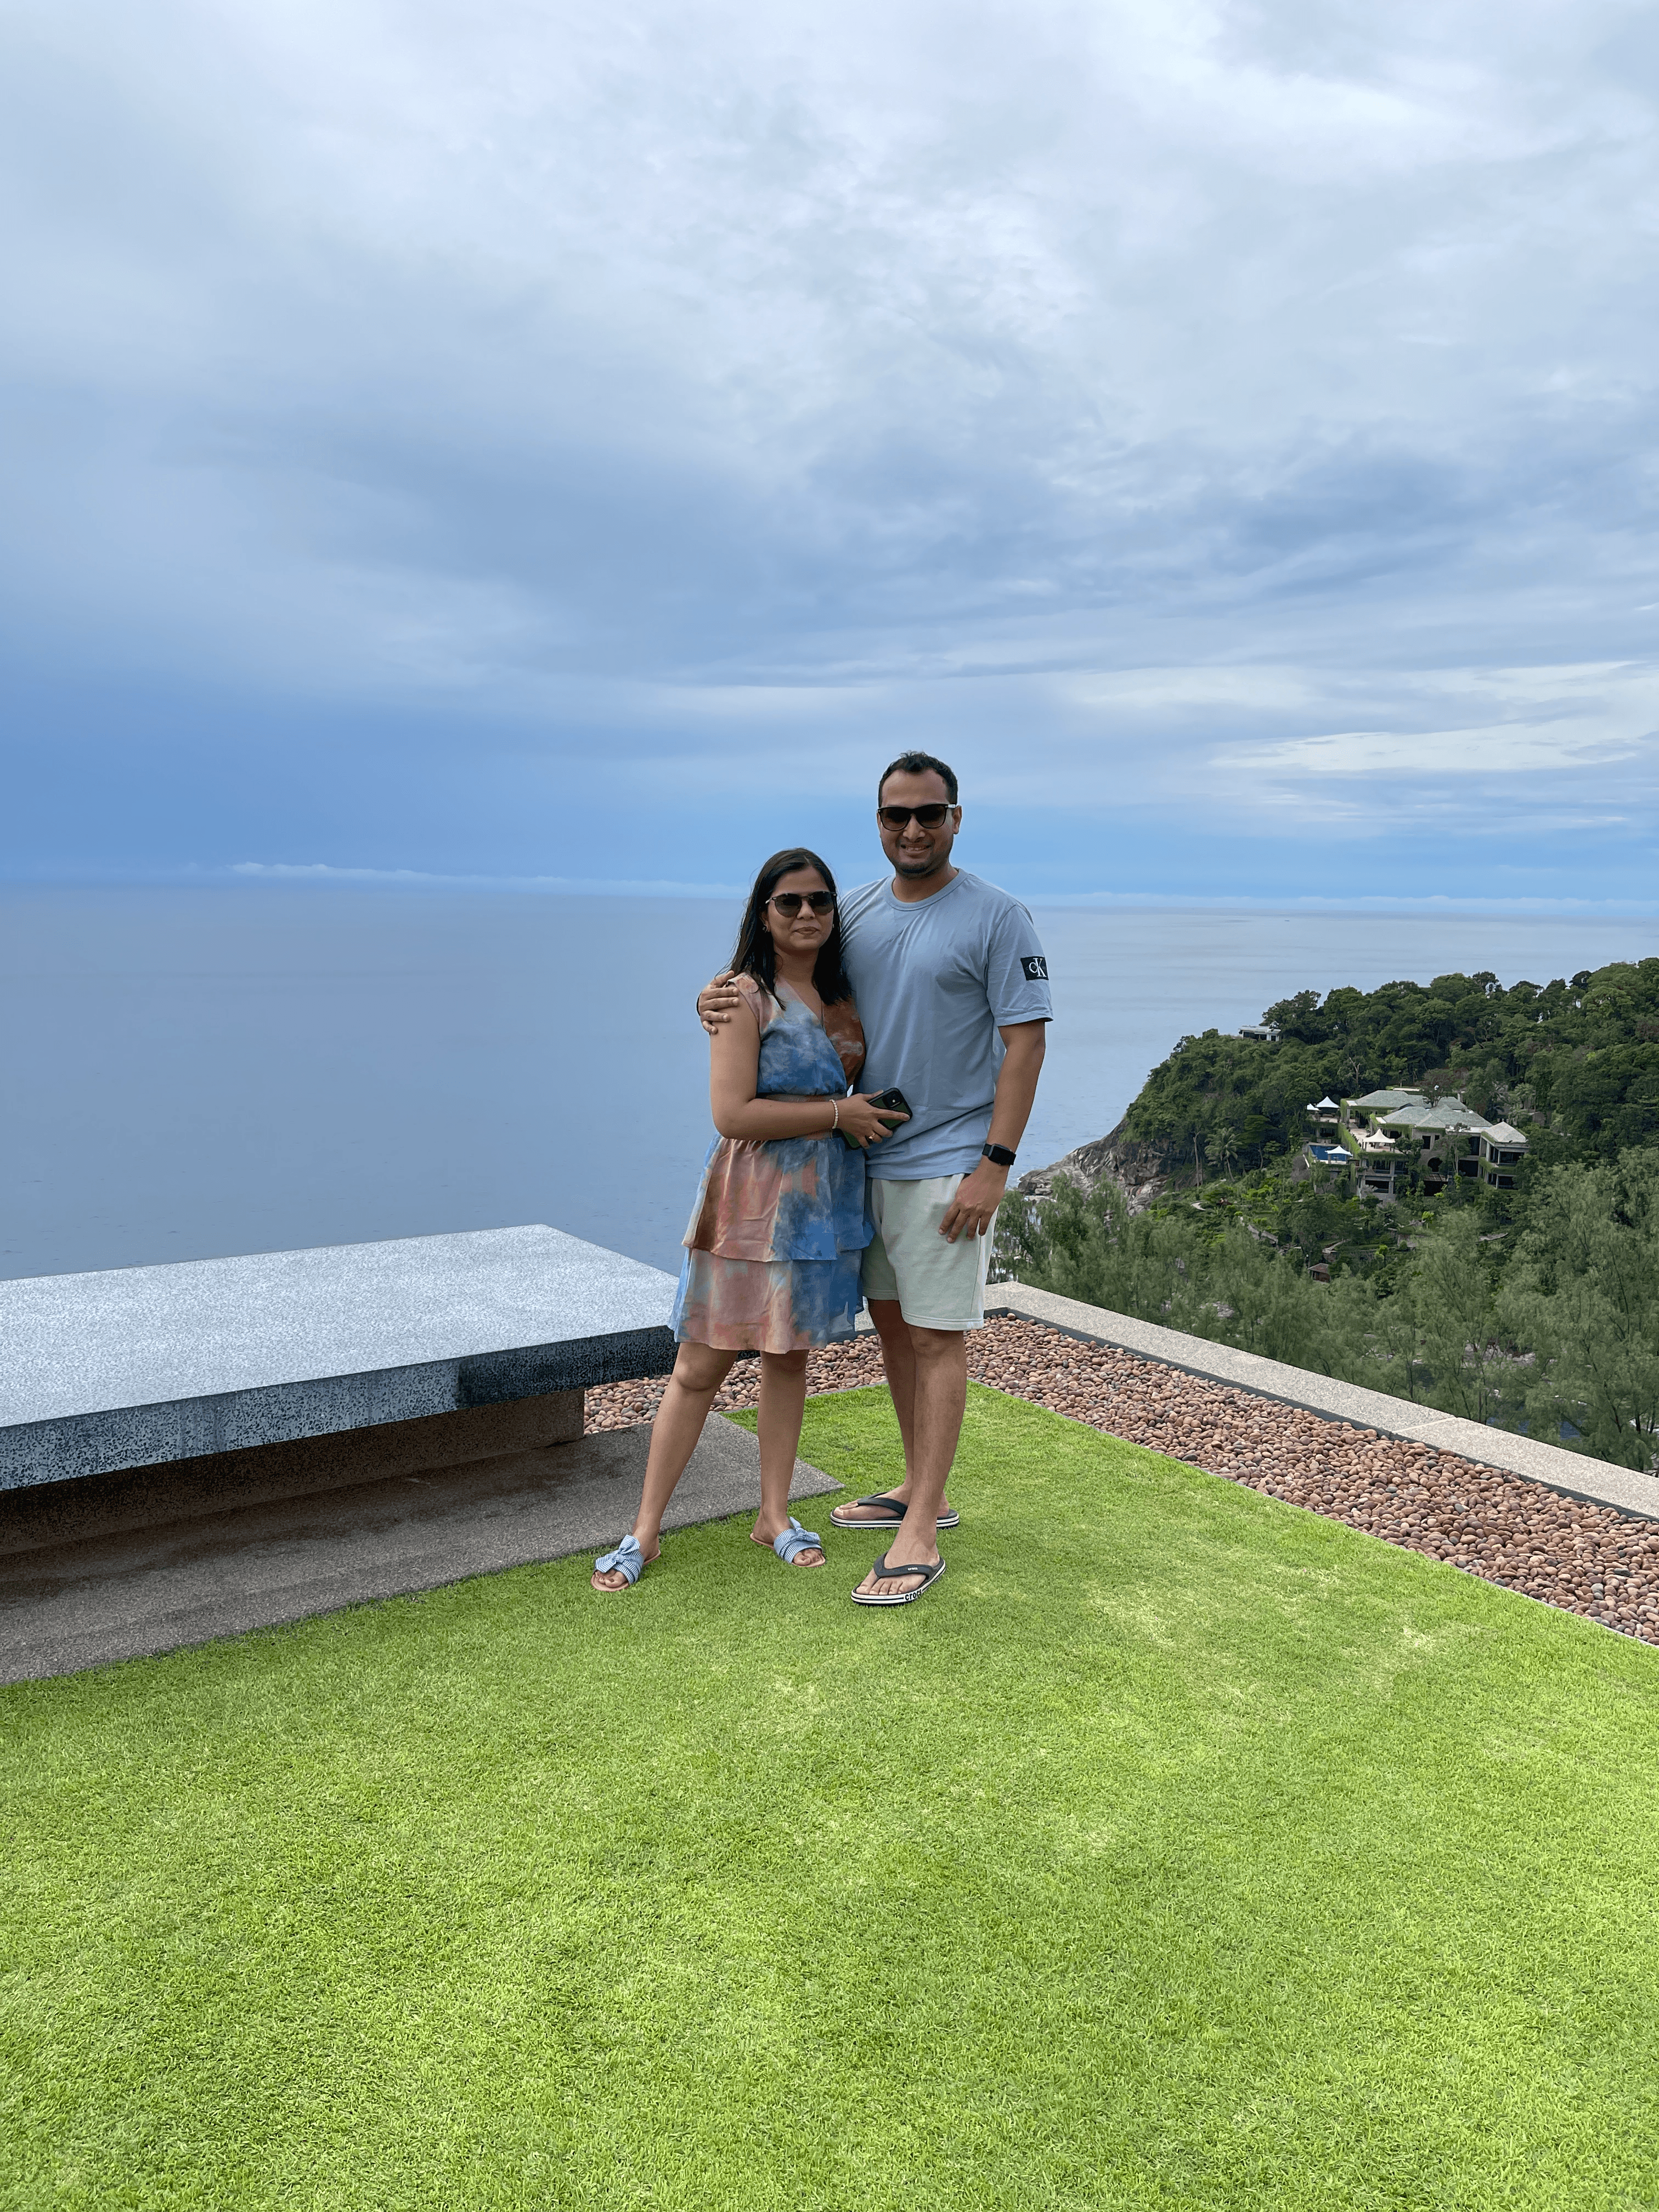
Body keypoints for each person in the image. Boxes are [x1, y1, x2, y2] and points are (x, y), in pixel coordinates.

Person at [699, 753, 1051, 1606]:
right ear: (880, 823)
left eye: (930, 814)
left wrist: (993, 1168)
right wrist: (717, 1003)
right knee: (895, 1332)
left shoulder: (999, 917)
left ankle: (922, 1526)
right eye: (897, 815)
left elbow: (1026, 1045)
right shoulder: (850, 911)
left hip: (946, 1165)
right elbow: (788, 979)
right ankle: (913, 1483)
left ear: (956, 818)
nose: (913, 829)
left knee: (936, 1339)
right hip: (860, 1163)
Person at [592, 848, 908, 1593]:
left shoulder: (844, 993)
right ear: (762, 912)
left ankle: (774, 1514)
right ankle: (644, 1531)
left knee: (788, 1359)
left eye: (820, 903)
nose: (806, 915)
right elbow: (731, 1112)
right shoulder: (741, 995)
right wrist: (841, 1114)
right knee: (699, 1366)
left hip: (824, 1206)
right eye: (789, 902)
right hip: (751, 1202)